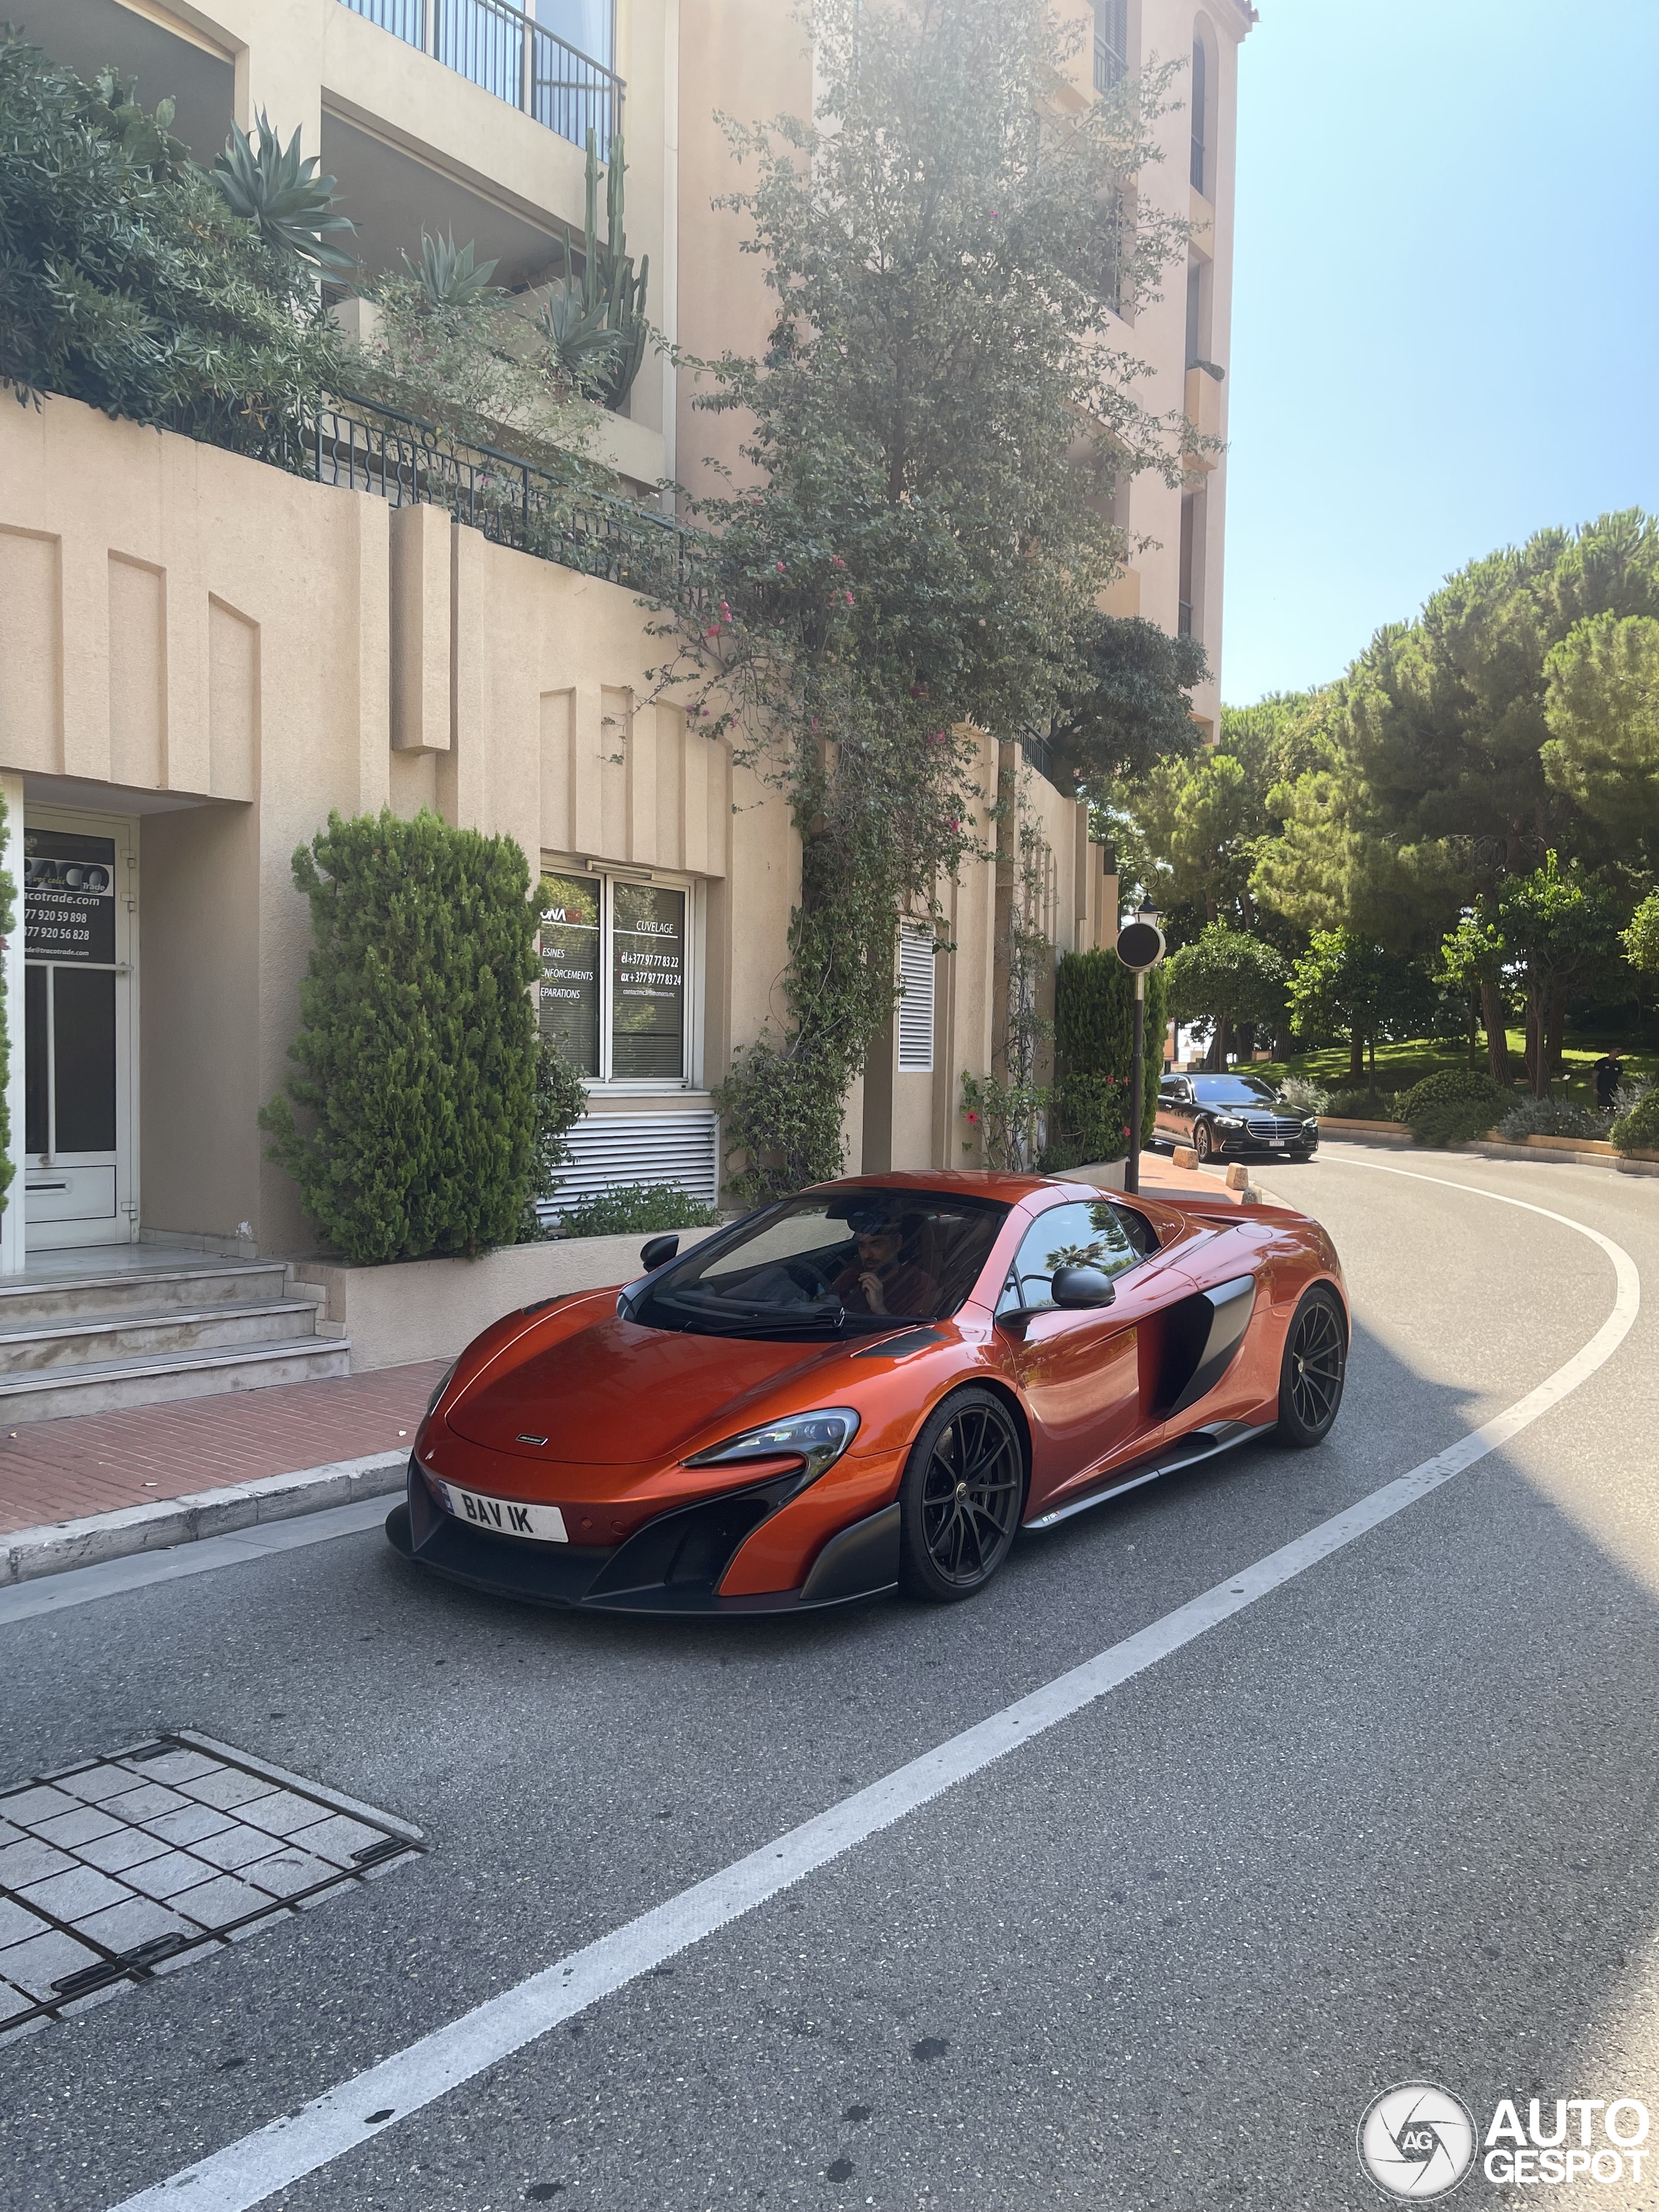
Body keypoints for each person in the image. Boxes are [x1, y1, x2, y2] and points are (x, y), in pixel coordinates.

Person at [831, 1218, 938, 1318]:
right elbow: (823, 1306)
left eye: (876, 1244)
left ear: (897, 1244)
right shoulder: (850, 1277)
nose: (867, 1255)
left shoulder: (920, 1284)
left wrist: (880, 1309)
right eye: (862, 1246)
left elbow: (918, 1335)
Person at [1592, 1049, 1624, 1113]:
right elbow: (1595, 1076)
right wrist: (1595, 1088)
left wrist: (1621, 1090)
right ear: (1612, 1051)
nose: (1619, 1053)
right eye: (1618, 1051)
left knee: (1614, 1107)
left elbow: (1620, 1077)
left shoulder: (1618, 1064)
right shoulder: (1601, 1063)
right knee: (1603, 1107)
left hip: (1614, 1089)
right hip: (1603, 1089)